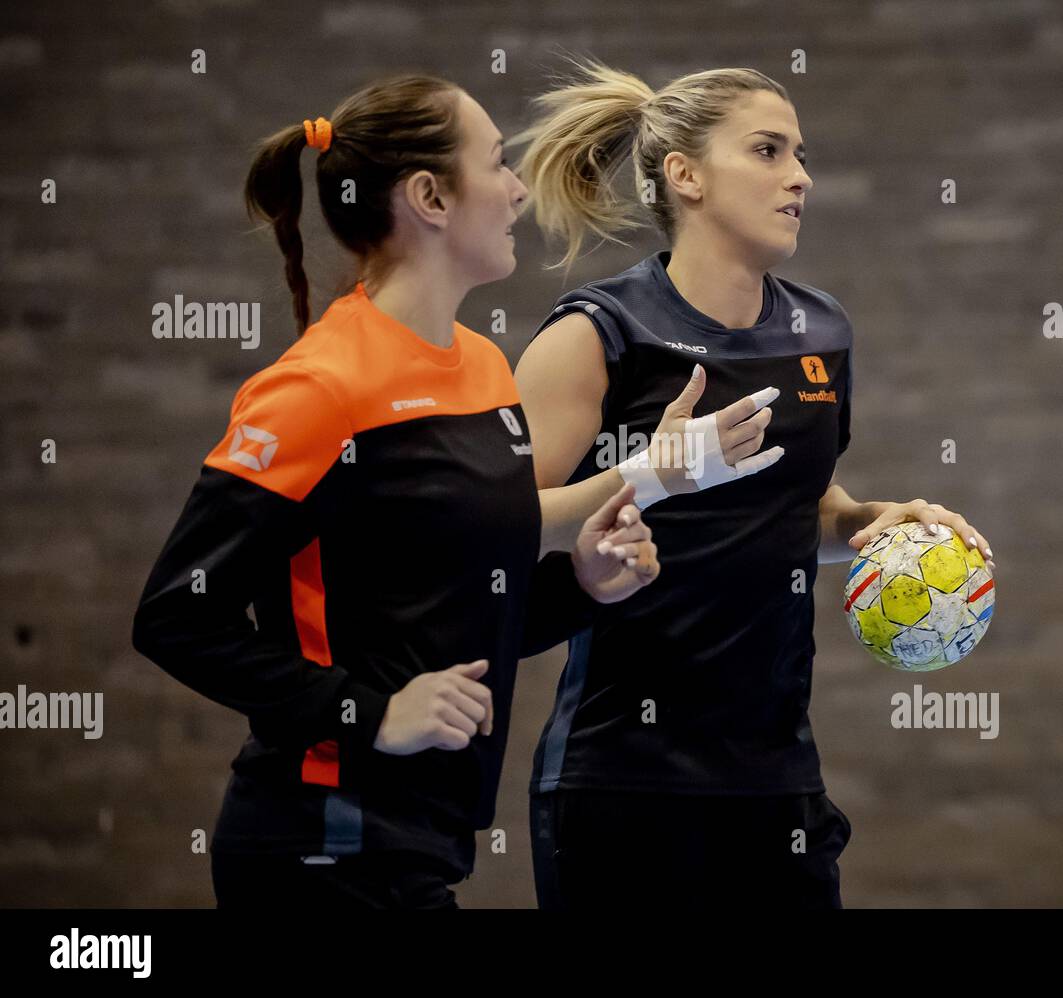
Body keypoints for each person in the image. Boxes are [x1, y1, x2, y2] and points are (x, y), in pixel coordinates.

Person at [131, 74, 668, 910]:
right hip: (320, 844)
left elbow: (454, 616)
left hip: (422, 844)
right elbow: (176, 616)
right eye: (496, 163)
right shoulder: (319, 387)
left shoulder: (485, 370)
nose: (519, 188)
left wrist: (583, 589)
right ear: (430, 197)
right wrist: (368, 714)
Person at [511, 59, 998, 909]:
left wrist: (864, 525)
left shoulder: (821, 330)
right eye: (769, 151)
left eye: (801, 155)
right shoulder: (598, 334)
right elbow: (499, 526)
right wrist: (649, 474)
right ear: (685, 174)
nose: (800, 177)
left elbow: (787, 511)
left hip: (775, 779)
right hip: (624, 778)